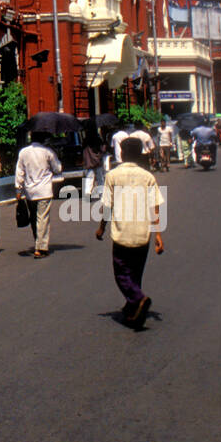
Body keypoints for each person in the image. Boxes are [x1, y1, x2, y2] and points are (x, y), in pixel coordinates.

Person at [96, 137, 163, 329]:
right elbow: (155, 208)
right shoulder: (148, 176)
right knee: (135, 272)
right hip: (143, 233)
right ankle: (133, 305)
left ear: (123, 153)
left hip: (122, 232)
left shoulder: (113, 176)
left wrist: (102, 227)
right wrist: (158, 235)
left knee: (121, 273)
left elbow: (107, 206)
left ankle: (138, 298)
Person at [15, 131, 62, 258]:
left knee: (34, 218)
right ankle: (41, 247)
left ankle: (38, 242)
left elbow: (19, 171)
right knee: (42, 219)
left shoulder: (23, 152)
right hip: (44, 191)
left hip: (30, 191)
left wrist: (18, 189)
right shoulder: (48, 152)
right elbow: (58, 169)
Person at [82, 121, 105, 199]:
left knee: (89, 178)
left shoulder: (86, 140)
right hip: (97, 161)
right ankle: (101, 193)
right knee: (100, 178)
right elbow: (102, 149)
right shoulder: (97, 139)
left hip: (89, 161)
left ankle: (87, 193)